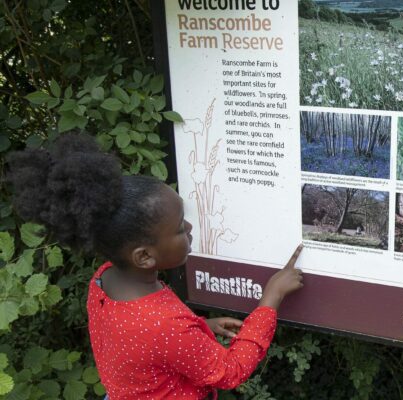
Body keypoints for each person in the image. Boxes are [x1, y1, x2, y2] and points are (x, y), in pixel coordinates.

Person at [7, 134, 304, 399]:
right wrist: (271, 299)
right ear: (144, 257)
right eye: (178, 228)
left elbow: (140, 345)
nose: (188, 228)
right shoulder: (165, 326)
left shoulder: (103, 281)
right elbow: (229, 372)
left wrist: (200, 331)